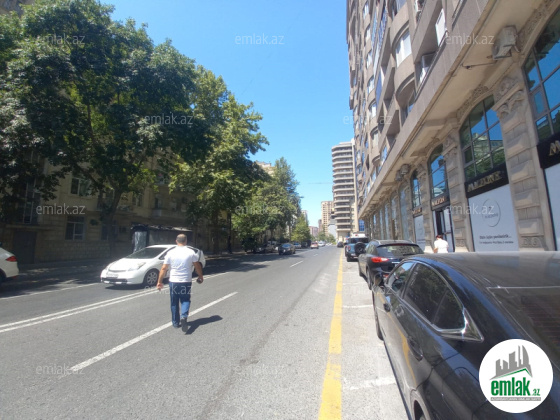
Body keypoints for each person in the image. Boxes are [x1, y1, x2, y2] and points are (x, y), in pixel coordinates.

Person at [156, 234, 204, 333]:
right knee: (185, 300)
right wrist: (200, 276)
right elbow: (197, 266)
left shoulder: (170, 253)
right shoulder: (191, 252)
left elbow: (164, 268)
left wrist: (159, 282)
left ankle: (175, 322)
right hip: (186, 281)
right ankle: (184, 316)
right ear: (186, 241)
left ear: (176, 241)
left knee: (174, 302)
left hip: (173, 281)